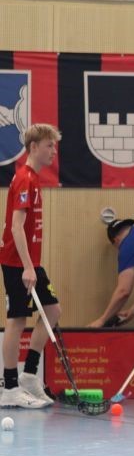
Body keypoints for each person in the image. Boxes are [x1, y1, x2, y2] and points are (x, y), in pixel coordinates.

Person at [0, 124, 60, 409]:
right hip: (16, 262)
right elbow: (16, 226)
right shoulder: (24, 178)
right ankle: (10, 387)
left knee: (52, 310)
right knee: (17, 319)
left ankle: (29, 375)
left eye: (55, 146)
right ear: (34, 147)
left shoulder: (33, 178)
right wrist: (26, 267)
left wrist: (32, 265)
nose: (54, 151)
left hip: (30, 263)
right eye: (49, 145)